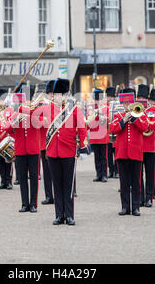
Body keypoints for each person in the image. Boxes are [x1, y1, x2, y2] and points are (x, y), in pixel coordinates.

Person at [45, 78, 88, 225]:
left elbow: (82, 127)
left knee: (68, 185)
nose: (58, 97)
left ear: (66, 95)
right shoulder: (47, 108)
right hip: (52, 152)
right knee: (56, 185)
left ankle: (69, 215)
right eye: (56, 94)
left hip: (68, 151)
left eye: (61, 95)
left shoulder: (74, 109)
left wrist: (83, 146)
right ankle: (59, 215)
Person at [110, 87, 149, 216]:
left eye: (129, 102)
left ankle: (136, 207)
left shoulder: (140, 114)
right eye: (125, 102)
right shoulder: (118, 115)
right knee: (124, 182)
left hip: (136, 152)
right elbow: (113, 129)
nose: (127, 104)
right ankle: (125, 207)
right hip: (122, 153)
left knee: (136, 181)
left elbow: (145, 127)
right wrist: (124, 120)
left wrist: (135, 119)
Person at [4, 84, 42, 213]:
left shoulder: (36, 110)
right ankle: (25, 203)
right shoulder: (17, 111)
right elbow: (7, 128)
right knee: (22, 177)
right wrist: (17, 118)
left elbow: (40, 124)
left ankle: (33, 204)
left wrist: (28, 111)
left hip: (33, 149)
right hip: (20, 149)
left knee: (34, 177)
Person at [137, 84, 155, 208]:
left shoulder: (153, 110)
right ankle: (140, 197)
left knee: (150, 174)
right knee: (139, 174)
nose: (141, 100)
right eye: (139, 97)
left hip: (151, 146)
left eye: (143, 98)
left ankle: (149, 198)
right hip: (139, 146)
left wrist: (146, 125)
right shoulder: (136, 109)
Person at [86, 88, 109, 183]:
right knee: (97, 157)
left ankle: (104, 175)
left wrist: (101, 114)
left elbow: (107, 122)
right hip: (94, 135)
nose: (97, 101)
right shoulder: (90, 108)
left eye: (98, 99)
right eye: (96, 99)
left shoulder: (105, 108)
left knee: (104, 157)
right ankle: (98, 174)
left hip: (103, 136)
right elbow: (88, 123)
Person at [0, 89, 14, 190]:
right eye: (0, 100)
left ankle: (9, 181)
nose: (2, 102)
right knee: (0, 162)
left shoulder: (10, 110)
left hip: (7, 139)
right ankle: (3, 181)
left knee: (8, 161)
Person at [38, 81, 54, 204]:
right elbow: (36, 121)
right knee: (47, 173)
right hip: (44, 143)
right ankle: (49, 195)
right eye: (50, 93)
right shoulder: (42, 106)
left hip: (58, 144)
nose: (52, 96)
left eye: (53, 93)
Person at [105, 86, 117, 178]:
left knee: (116, 153)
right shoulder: (104, 106)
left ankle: (117, 171)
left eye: (112, 97)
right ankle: (111, 170)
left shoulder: (117, 106)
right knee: (108, 155)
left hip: (116, 133)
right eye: (109, 97)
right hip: (107, 133)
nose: (110, 98)